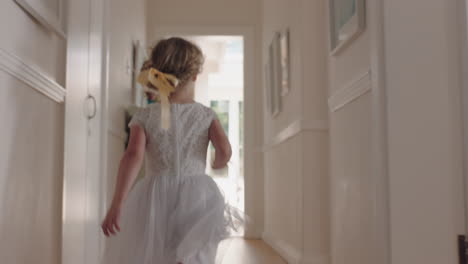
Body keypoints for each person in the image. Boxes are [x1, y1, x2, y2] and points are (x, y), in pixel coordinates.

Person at [101, 37, 241, 264]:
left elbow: (132, 156)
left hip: (155, 195)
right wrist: (218, 162)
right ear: (195, 76)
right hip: (197, 194)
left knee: (156, 251)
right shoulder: (205, 115)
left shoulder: (145, 116)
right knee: (194, 252)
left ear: (156, 73)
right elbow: (224, 149)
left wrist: (118, 203)